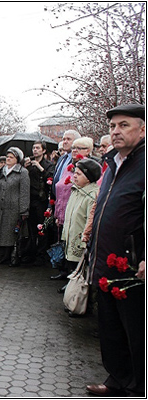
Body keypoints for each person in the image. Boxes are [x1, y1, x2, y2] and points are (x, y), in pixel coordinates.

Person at [86, 104, 145, 397]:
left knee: (136, 330)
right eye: (112, 127)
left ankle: (139, 387)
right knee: (110, 327)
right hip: (106, 261)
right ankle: (118, 379)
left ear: (143, 129)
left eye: (124, 125)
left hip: (133, 267)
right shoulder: (112, 163)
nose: (116, 131)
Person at [60, 158, 101, 293]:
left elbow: (90, 220)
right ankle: (71, 290)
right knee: (72, 266)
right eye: (75, 173)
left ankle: (78, 297)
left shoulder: (92, 195)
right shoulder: (76, 190)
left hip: (80, 240)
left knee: (81, 270)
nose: (75, 176)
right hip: (71, 236)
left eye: (79, 174)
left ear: (89, 178)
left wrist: (85, 239)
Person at [0, 147, 30, 267]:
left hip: (14, 207)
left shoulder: (22, 172)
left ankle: (12, 256)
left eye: (11, 157)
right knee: (0, 231)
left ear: (17, 159)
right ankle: (3, 255)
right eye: (7, 156)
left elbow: (24, 192)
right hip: (0, 206)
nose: (8, 159)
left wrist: (24, 210)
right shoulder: (2, 170)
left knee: (11, 233)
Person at [25, 141, 54, 264]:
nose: (35, 150)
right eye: (33, 148)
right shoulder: (28, 163)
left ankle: (42, 255)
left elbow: (51, 178)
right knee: (31, 228)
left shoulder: (48, 164)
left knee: (42, 228)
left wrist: (40, 168)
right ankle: (30, 253)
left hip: (41, 200)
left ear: (43, 151)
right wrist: (25, 167)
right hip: (30, 199)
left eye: (38, 148)